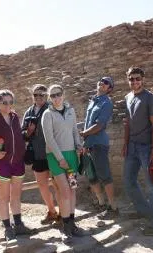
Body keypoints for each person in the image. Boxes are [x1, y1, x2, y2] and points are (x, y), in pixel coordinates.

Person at [0, 89, 35, 241]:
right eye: (5, 102)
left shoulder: (15, 117)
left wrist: (28, 133)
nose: (8, 105)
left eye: (11, 102)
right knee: (3, 197)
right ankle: (7, 229)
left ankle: (18, 225)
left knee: (16, 196)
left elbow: (17, 136)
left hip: (17, 162)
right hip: (1, 164)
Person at [122, 67, 153, 236]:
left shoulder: (149, 98)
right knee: (128, 181)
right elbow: (127, 124)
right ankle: (144, 211)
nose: (134, 81)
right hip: (132, 147)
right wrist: (125, 144)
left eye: (137, 78)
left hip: (146, 147)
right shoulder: (127, 97)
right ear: (128, 80)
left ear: (143, 79)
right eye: (131, 79)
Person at [41, 84, 87, 241]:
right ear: (49, 98)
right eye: (52, 95)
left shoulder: (71, 111)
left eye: (58, 94)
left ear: (63, 94)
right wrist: (60, 159)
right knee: (65, 191)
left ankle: (72, 224)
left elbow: (74, 131)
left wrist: (78, 145)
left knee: (72, 189)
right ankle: (66, 227)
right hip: (55, 158)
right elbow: (49, 139)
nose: (56, 98)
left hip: (71, 157)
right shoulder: (47, 115)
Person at [80, 77, 119, 219]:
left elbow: (99, 125)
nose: (103, 82)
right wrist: (84, 142)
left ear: (109, 89)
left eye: (107, 82)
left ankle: (113, 207)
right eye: (102, 80)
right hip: (88, 144)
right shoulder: (93, 101)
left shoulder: (106, 103)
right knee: (91, 175)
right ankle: (101, 203)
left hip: (98, 144)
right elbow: (87, 123)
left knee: (105, 176)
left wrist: (84, 133)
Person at [21, 84, 60, 225]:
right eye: (35, 95)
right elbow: (22, 134)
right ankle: (52, 212)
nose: (38, 97)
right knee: (42, 185)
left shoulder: (52, 109)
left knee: (58, 185)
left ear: (46, 95)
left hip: (53, 153)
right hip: (37, 154)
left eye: (41, 94)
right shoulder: (28, 112)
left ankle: (64, 213)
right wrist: (28, 132)